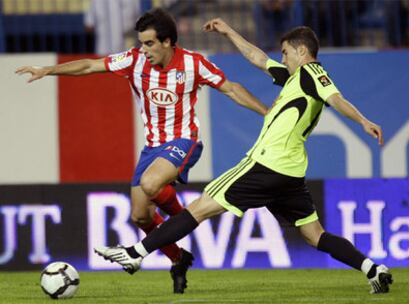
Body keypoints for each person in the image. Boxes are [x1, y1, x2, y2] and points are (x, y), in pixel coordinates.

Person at [94, 19, 393, 294]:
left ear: (302, 51)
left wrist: (363, 120)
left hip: (264, 164)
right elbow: (258, 59)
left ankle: (135, 254)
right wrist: (229, 32)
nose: (283, 58)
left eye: (286, 53)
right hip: (290, 172)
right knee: (315, 235)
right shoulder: (294, 80)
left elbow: (335, 98)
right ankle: (373, 269)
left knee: (199, 208)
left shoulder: (311, 72)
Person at [15, 10, 267, 294]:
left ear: (168, 41)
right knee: (140, 216)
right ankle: (178, 258)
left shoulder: (194, 64)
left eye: (149, 44)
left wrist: (268, 113)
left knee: (150, 183)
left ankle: (185, 218)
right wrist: (48, 70)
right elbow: (89, 66)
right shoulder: (134, 61)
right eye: (142, 43)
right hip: (152, 148)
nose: (143, 50)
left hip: (184, 141)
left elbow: (231, 89)